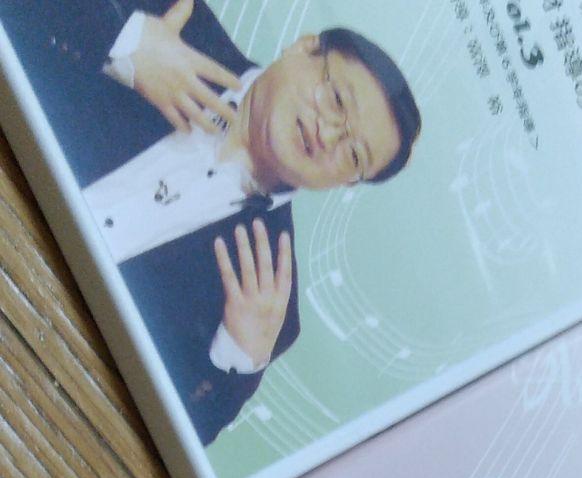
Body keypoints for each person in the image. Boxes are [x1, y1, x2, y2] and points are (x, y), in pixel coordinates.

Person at [0, 0, 421, 442]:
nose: (327, 134)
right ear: (303, 48)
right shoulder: (179, 17)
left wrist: (233, 363)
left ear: (347, 183)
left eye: (354, 154)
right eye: (336, 100)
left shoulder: (270, 307)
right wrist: (121, 40)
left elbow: (152, 437)